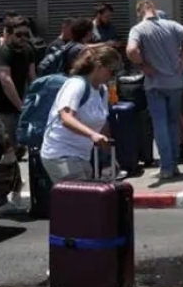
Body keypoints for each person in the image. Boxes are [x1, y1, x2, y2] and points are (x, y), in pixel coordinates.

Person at [127, 0, 183, 181]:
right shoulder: (171, 25)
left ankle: (166, 167)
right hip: (175, 82)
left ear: (139, 12)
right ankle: (174, 164)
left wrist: (143, 64)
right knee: (173, 123)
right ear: (154, 10)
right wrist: (182, 58)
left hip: (155, 83)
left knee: (160, 124)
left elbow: (131, 50)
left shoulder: (138, 29)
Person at [40, 47, 122, 184]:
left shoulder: (102, 90)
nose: (113, 76)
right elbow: (66, 118)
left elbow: (102, 123)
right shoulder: (76, 85)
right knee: (80, 201)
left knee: (84, 199)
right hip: (61, 154)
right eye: (112, 71)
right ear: (99, 67)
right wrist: (92, 135)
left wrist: (109, 155)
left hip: (82, 155)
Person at [0, 17, 36, 216]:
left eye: (26, 33)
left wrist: (35, 103)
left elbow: (33, 78)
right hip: (2, 109)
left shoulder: (28, 50)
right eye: (19, 34)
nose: (23, 38)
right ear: (8, 34)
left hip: (19, 109)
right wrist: (22, 106)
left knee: (15, 153)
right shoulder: (3, 52)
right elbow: (5, 80)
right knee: (4, 155)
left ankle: (15, 192)